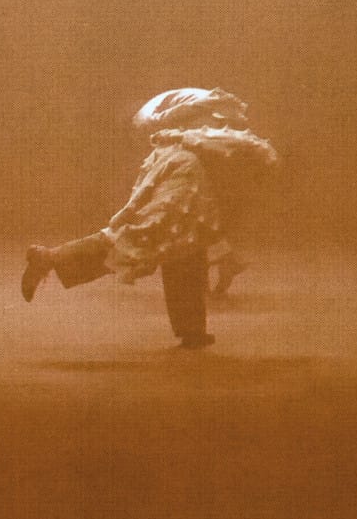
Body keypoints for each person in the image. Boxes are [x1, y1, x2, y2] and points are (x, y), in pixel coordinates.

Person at [20, 88, 278, 348]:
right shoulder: (189, 114)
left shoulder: (158, 116)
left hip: (188, 167)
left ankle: (192, 330)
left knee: (180, 243)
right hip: (187, 167)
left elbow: (175, 126)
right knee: (151, 237)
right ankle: (51, 257)